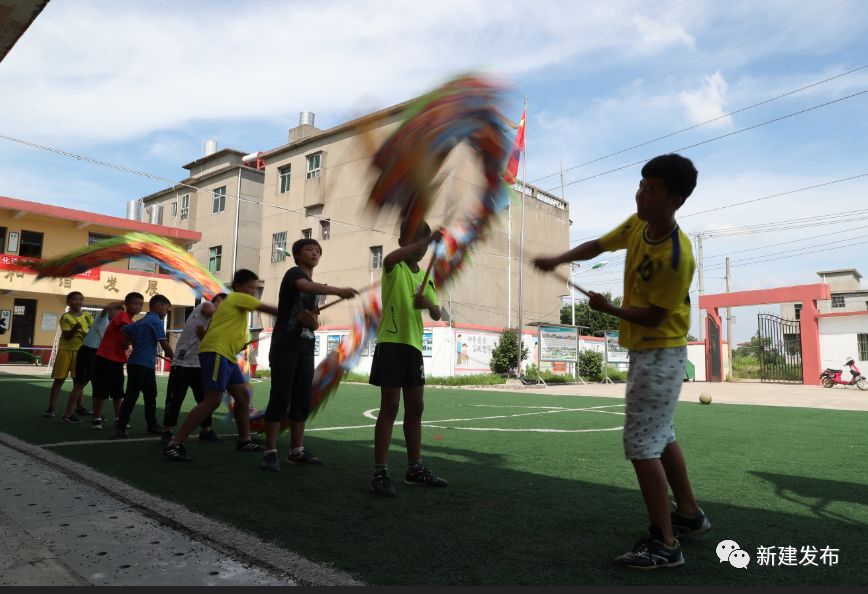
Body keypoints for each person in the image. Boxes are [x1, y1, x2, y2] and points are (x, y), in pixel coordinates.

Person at [534, 154, 710, 569]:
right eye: (641, 185)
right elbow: (598, 244)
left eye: (651, 189)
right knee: (661, 437)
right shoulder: (638, 226)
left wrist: (608, 309)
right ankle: (688, 514)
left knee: (642, 447)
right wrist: (558, 259)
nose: (640, 194)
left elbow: (655, 315)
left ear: (676, 200)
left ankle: (665, 544)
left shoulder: (676, 256)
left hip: (660, 354)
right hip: (649, 353)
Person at [261, 238, 357, 472]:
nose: (315, 253)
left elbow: (313, 323)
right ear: (296, 255)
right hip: (285, 345)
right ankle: (270, 451)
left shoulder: (312, 287)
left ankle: (297, 451)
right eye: (309, 249)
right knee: (280, 397)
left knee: (302, 398)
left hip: (305, 347)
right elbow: (305, 287)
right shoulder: (294, 274)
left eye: (318, 250)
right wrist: (338, 291)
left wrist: (311, 321)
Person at [163, 269, 278, 462]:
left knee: (242, 396)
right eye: (250, 287)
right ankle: (175, 444)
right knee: (212, 400)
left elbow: (210, 333)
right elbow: (269, 309)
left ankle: (244, 440)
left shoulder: (232, 310)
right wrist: (296, 313)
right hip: (217, 353)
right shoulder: (236, 298)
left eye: (254, 287)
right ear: (238, 287)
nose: (252, 291)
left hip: (226, 356)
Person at [368, 220, 446, 497]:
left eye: (422, 241)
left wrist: (429, 304)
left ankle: (415, 468)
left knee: (416, 408)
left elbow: (438, 314)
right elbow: (389, 258)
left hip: (413, 346)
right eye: (414, 241)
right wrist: (426, 240)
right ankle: (380, 471)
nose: (420, 248)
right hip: (390, 342)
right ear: (403, 241)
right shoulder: (394, 267)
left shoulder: (426, 277)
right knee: (389, 406)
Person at [160, 292, 227, 447]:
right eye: (220, 302)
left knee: (205, 399)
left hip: (200, 364)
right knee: (175, 398)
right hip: (182, 363)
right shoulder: (205, 306)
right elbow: (211, 310)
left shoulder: (216, 323)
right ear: (215, 301)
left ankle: (206, 430)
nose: (221, 306)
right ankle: (167, 432)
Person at [115, 294, 174, 437]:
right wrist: (175, 359)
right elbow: (164, 345)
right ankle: (123, 426)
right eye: (166, 309)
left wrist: (132, 342)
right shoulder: (155, 322)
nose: (166, 312)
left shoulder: (140, 322)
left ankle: (150, 425)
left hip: (139, 363)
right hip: (142, 364)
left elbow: (124, 330)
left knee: (147, 395)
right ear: (158, 306)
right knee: (137, 395)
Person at [59, 301, 124, 423]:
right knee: (80, 383)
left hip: (99, 355)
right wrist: (124, 301)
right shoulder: (102, 318)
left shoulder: (115, 326)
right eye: (116, 311)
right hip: (87, 352)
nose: (118, 315)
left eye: (120, 313)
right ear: (111, 310)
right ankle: (67, 414)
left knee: (98, 385)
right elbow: (105, 307)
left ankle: (96, 414)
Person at [90, 292, 144, 430]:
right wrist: (139, 341)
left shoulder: (131, 322)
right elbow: (126, 333)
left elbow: (125, 343)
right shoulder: (122, 316)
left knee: (118, 391)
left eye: (140, 305)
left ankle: (119, 418)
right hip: (105, 357)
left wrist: (131, 343)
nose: (138, 307)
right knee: (101, 389)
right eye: (135, 304)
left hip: (118, 360)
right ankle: (96, 418)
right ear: (126, 305)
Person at [45, 292, 94, 421]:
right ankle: (51, 408)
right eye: (75, 299)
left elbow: (93, 331)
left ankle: (80, 407)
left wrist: (86, 335)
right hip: (65, 351)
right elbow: (67, 336)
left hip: (81, 352)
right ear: (68, 302)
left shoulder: (87, 316)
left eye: (81, 299)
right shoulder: (66, 317)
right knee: (59, 380)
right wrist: (76, 328)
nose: (78, 302)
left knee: (79, 381)